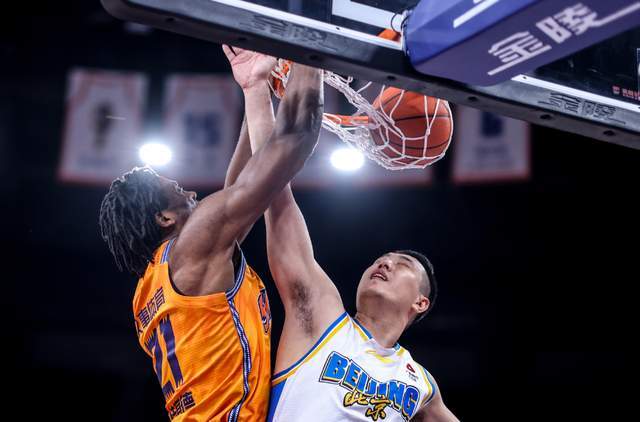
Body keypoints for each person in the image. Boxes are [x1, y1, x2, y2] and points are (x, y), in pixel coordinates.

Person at [98, 47, 323, 421]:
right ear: (165, 218)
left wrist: (255, 87)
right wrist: (310, 49)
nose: (191, 191)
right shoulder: (191, 250)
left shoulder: (152, 285)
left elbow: (242, 187)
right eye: (177, 190)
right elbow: (295, 138)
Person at [231, 73, 460, 421]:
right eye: (381, 260)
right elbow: (277, 197)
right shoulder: (323, 317)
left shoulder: (422, 386)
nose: (384, 263)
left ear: (420, 302)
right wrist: (255, 89)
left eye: (401, 264)